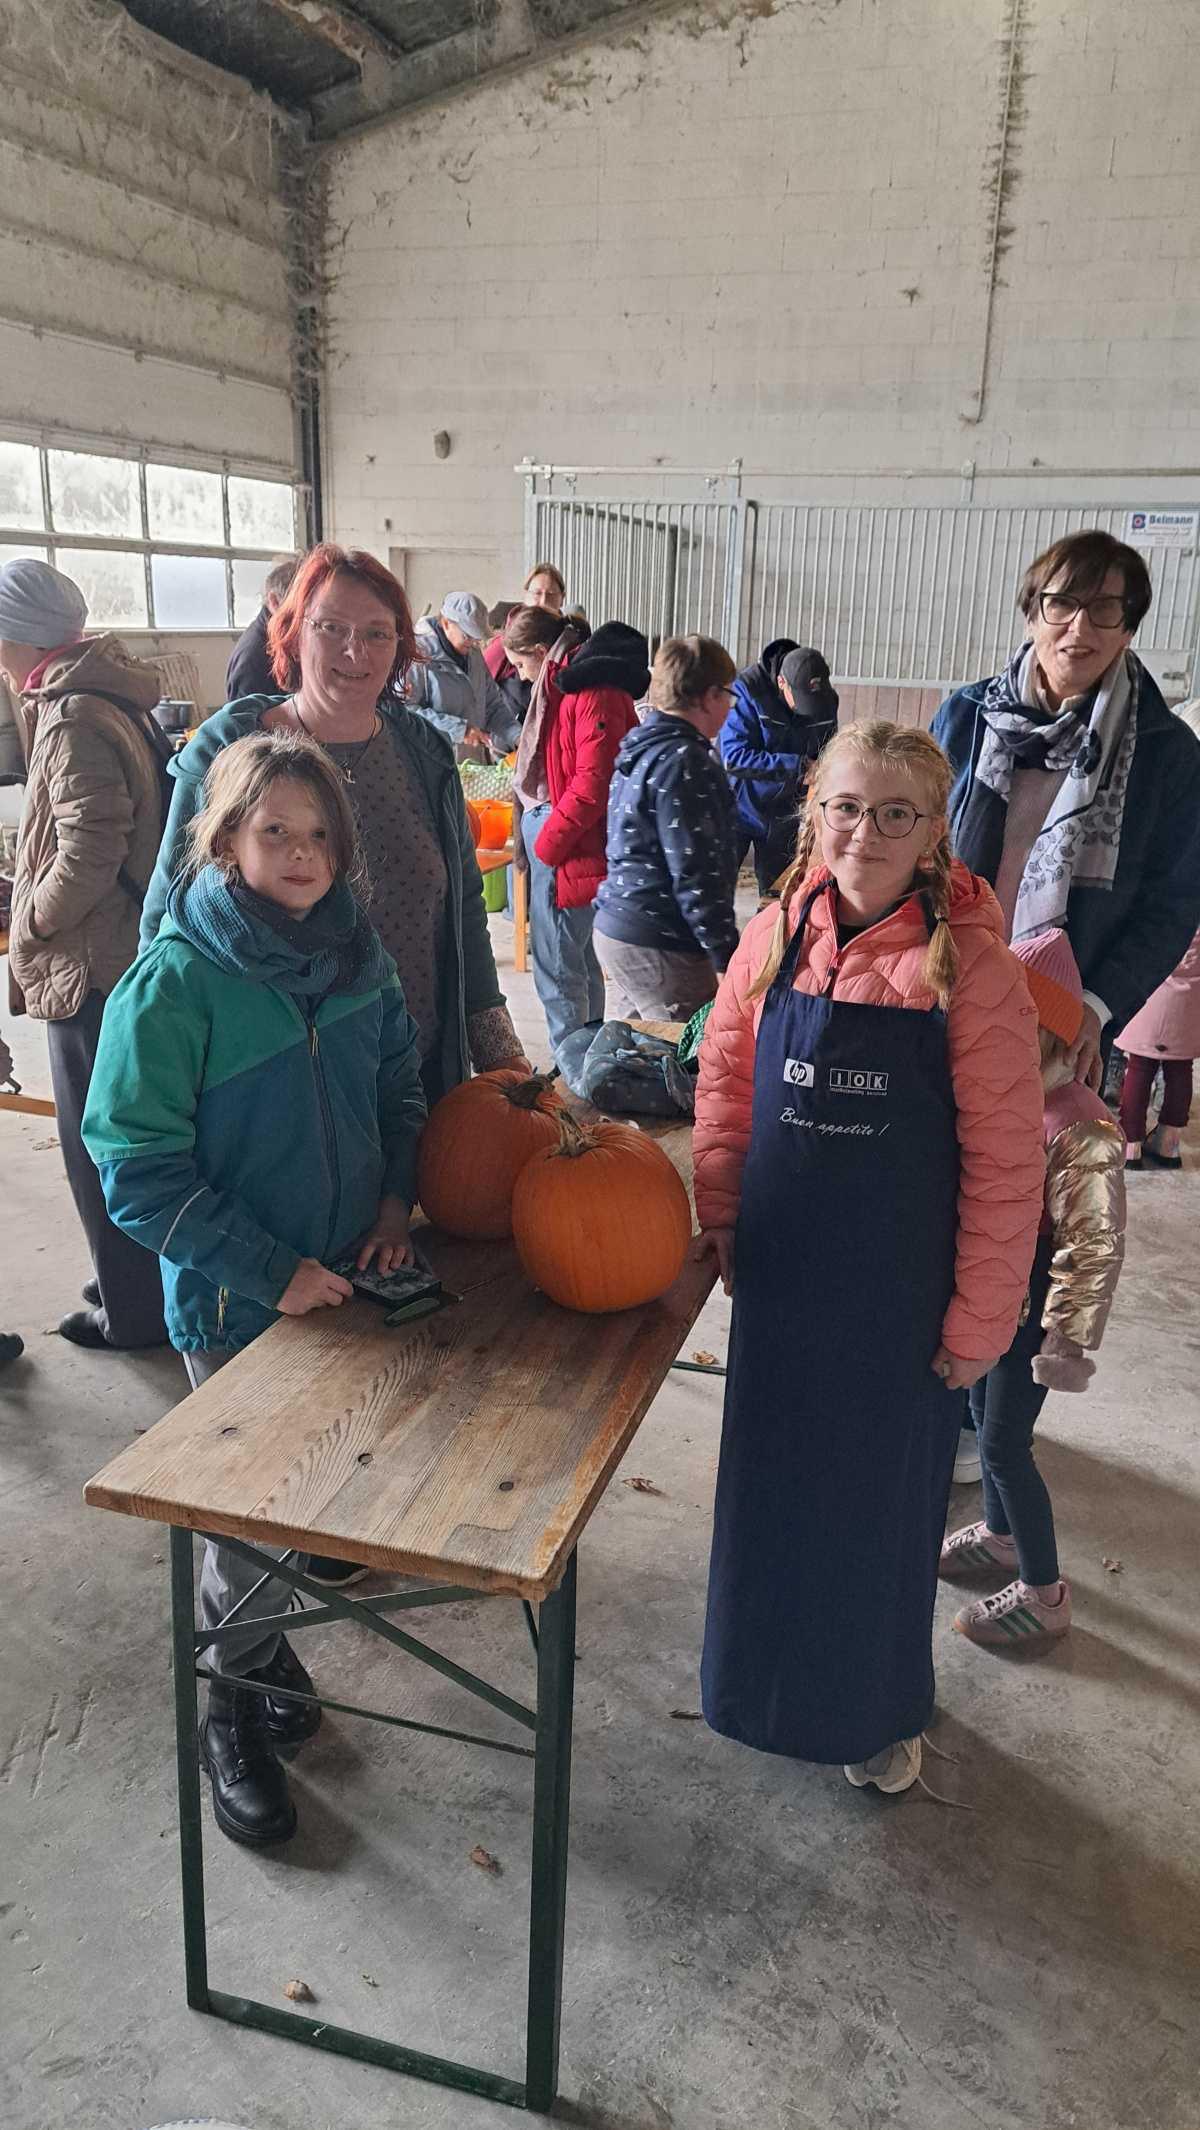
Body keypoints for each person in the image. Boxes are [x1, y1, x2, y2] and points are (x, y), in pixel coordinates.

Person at [84, 733, 426, 1847]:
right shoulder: (177, 980)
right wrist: (270, 1271)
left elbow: (397, 1086)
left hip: (345, 1283)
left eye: (319, 833)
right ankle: (226, 1705)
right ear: (225, 838)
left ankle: (258, 1642)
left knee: (302, 1508)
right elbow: (135, 1167)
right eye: (274, 829)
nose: (300, 851)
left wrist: (389, 1209)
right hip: (240, 1302)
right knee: (250, 1519)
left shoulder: (355, 955)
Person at [692, 721, 1044, 1796]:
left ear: (935, 832)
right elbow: (726, 1079)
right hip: (787, 1287)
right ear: (814, 815)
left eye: (897, 813)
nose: (866, 832)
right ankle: (755, 1691)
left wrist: (982, 1323)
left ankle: (872, 1713)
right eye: (846, 808)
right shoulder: (774, 936)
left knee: (870, 1518)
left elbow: (1003, 1166)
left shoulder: (976, 972)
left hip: (898, 1308)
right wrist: (720, 1210)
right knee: (773, 1499)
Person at [141, 544, 529, 1121]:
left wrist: (499, 1054)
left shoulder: (423, 754)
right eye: (332, 627)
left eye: (378, 632)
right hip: (281, 1091)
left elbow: (464, 911)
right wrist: (161, 1074)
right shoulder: (231, 751)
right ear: (296, 634)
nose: (356, 651)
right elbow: (168, 922)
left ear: (401, 645)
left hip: (418, 1074)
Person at [934, 529, 1200, 1086]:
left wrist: (1097, 1006)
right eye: (1061, 604)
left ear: (1128, 628)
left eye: (1105, 610)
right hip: (946, 982)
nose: (1079, 628)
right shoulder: (965, 716)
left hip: (1063, 1010)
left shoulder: (1165, 750)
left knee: (1025, 1158)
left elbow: (1173, 902)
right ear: (1033, 614)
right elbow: (918, 846)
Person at [941, 928, 1125, 1645]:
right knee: (986, 1428)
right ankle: (1001, 1534)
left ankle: (1045, 1592)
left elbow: (1093, 1244)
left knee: (1005, 1447)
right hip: (999, 1301)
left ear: (1045, 1033)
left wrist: (1066, 1336)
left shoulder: (1082, 1129)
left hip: (1035, 1319)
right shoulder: (1012, 1099)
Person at [2, 557, 166, 1351]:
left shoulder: (70, 717)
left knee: (96, 1144)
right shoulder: (106, 694)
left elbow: (91, 851)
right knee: (122, 1133)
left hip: (91, 966)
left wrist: (30, 920)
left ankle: (131, 1314)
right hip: (116, 954)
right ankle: (126, 1277)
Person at [506, 605, 649, 1062]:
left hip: (569, 844)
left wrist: (547, 843)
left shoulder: (591, 691)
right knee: (577, 959)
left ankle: (571, 1074)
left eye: (523, 665)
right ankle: (589, 1062)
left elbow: (592, 784)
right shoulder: (569, 685)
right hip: (568, 838)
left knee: (559, 968)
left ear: (541, 652)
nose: (523, 678)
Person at [594, 635, 740, 1020]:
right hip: (660, 938)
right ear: (709, 696)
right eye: (728, 695)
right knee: (682, 1057)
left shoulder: (642, 747)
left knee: (634, 1059)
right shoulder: (687, 761)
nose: (729, 707)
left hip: (622, 927)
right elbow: (696, 871)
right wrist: (726, 957)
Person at [718, 635, 820, 897]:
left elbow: (826, 746)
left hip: (784, 812)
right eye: (797, 698)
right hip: (738, 808)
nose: (803, 707)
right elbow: (734, 756)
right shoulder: (748, 690)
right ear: (781, 682)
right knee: (716, 890)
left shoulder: (822, 697)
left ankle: (768, 938)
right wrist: (798, 767)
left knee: (778, 896)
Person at [1116, 924, 1200, 1168]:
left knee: (1139, 1066)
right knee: (1181, 1067)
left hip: (1151, 990)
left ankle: (1131, 1144)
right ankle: (1169, 1143)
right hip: (1190, 998)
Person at [405, 592, 519, 755]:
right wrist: (459, 729)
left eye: (476, 637)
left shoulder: (473, 653)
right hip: (432, 760)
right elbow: (406, 711)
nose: (473, 643)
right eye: (467, 636)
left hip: (470, 762)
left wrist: (517, 736)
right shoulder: (418, 657)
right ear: (446, 624)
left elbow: (493, 706)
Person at [226, 556, 300, 702]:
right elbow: (250, 721)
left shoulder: (284, 640)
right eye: (300, 605)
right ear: (274, 601)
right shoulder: (253, 659)